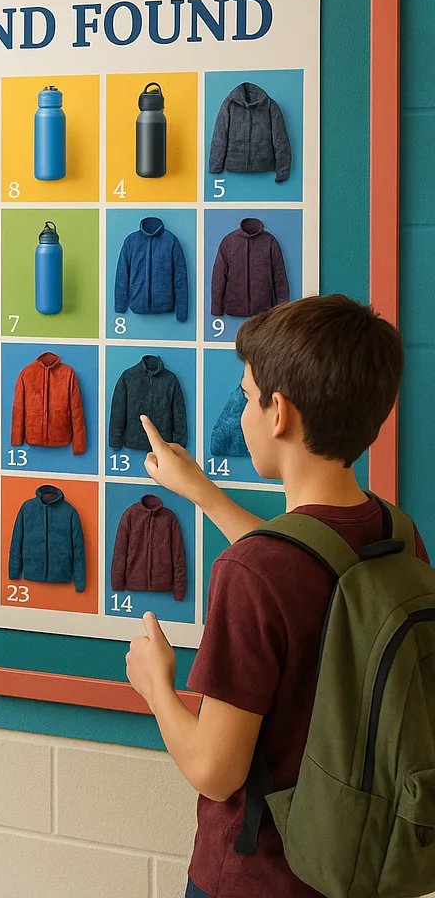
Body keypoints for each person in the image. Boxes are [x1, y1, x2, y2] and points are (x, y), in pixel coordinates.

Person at [123, 295, 428, 898]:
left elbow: (214, 771)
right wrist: (203, 493)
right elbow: (312, 563)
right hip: (361, 865)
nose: (241, 413)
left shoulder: (251, 572)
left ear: (279, 413)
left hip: (257, 876)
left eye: (246, 396)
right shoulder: (395, 531)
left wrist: (156, 685)